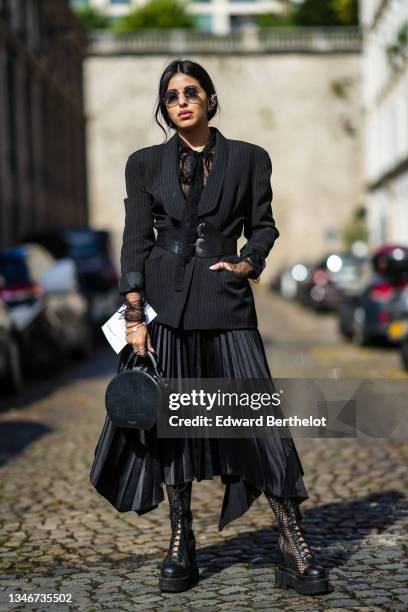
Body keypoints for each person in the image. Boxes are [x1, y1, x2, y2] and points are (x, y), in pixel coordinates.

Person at [90, 59, 329, 596]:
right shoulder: (144, 163)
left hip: (226, 303)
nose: (181, 101)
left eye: (191, 92)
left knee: (258, 420)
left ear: (211, 99)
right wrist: (134, 316)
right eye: (170, 95)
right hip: (165, 307)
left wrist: (247, 262)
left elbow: (264, 225)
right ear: (164, 107)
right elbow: (135, 240)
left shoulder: (249, 158)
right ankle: (182, 541)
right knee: (173, 425)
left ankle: (292, 541)